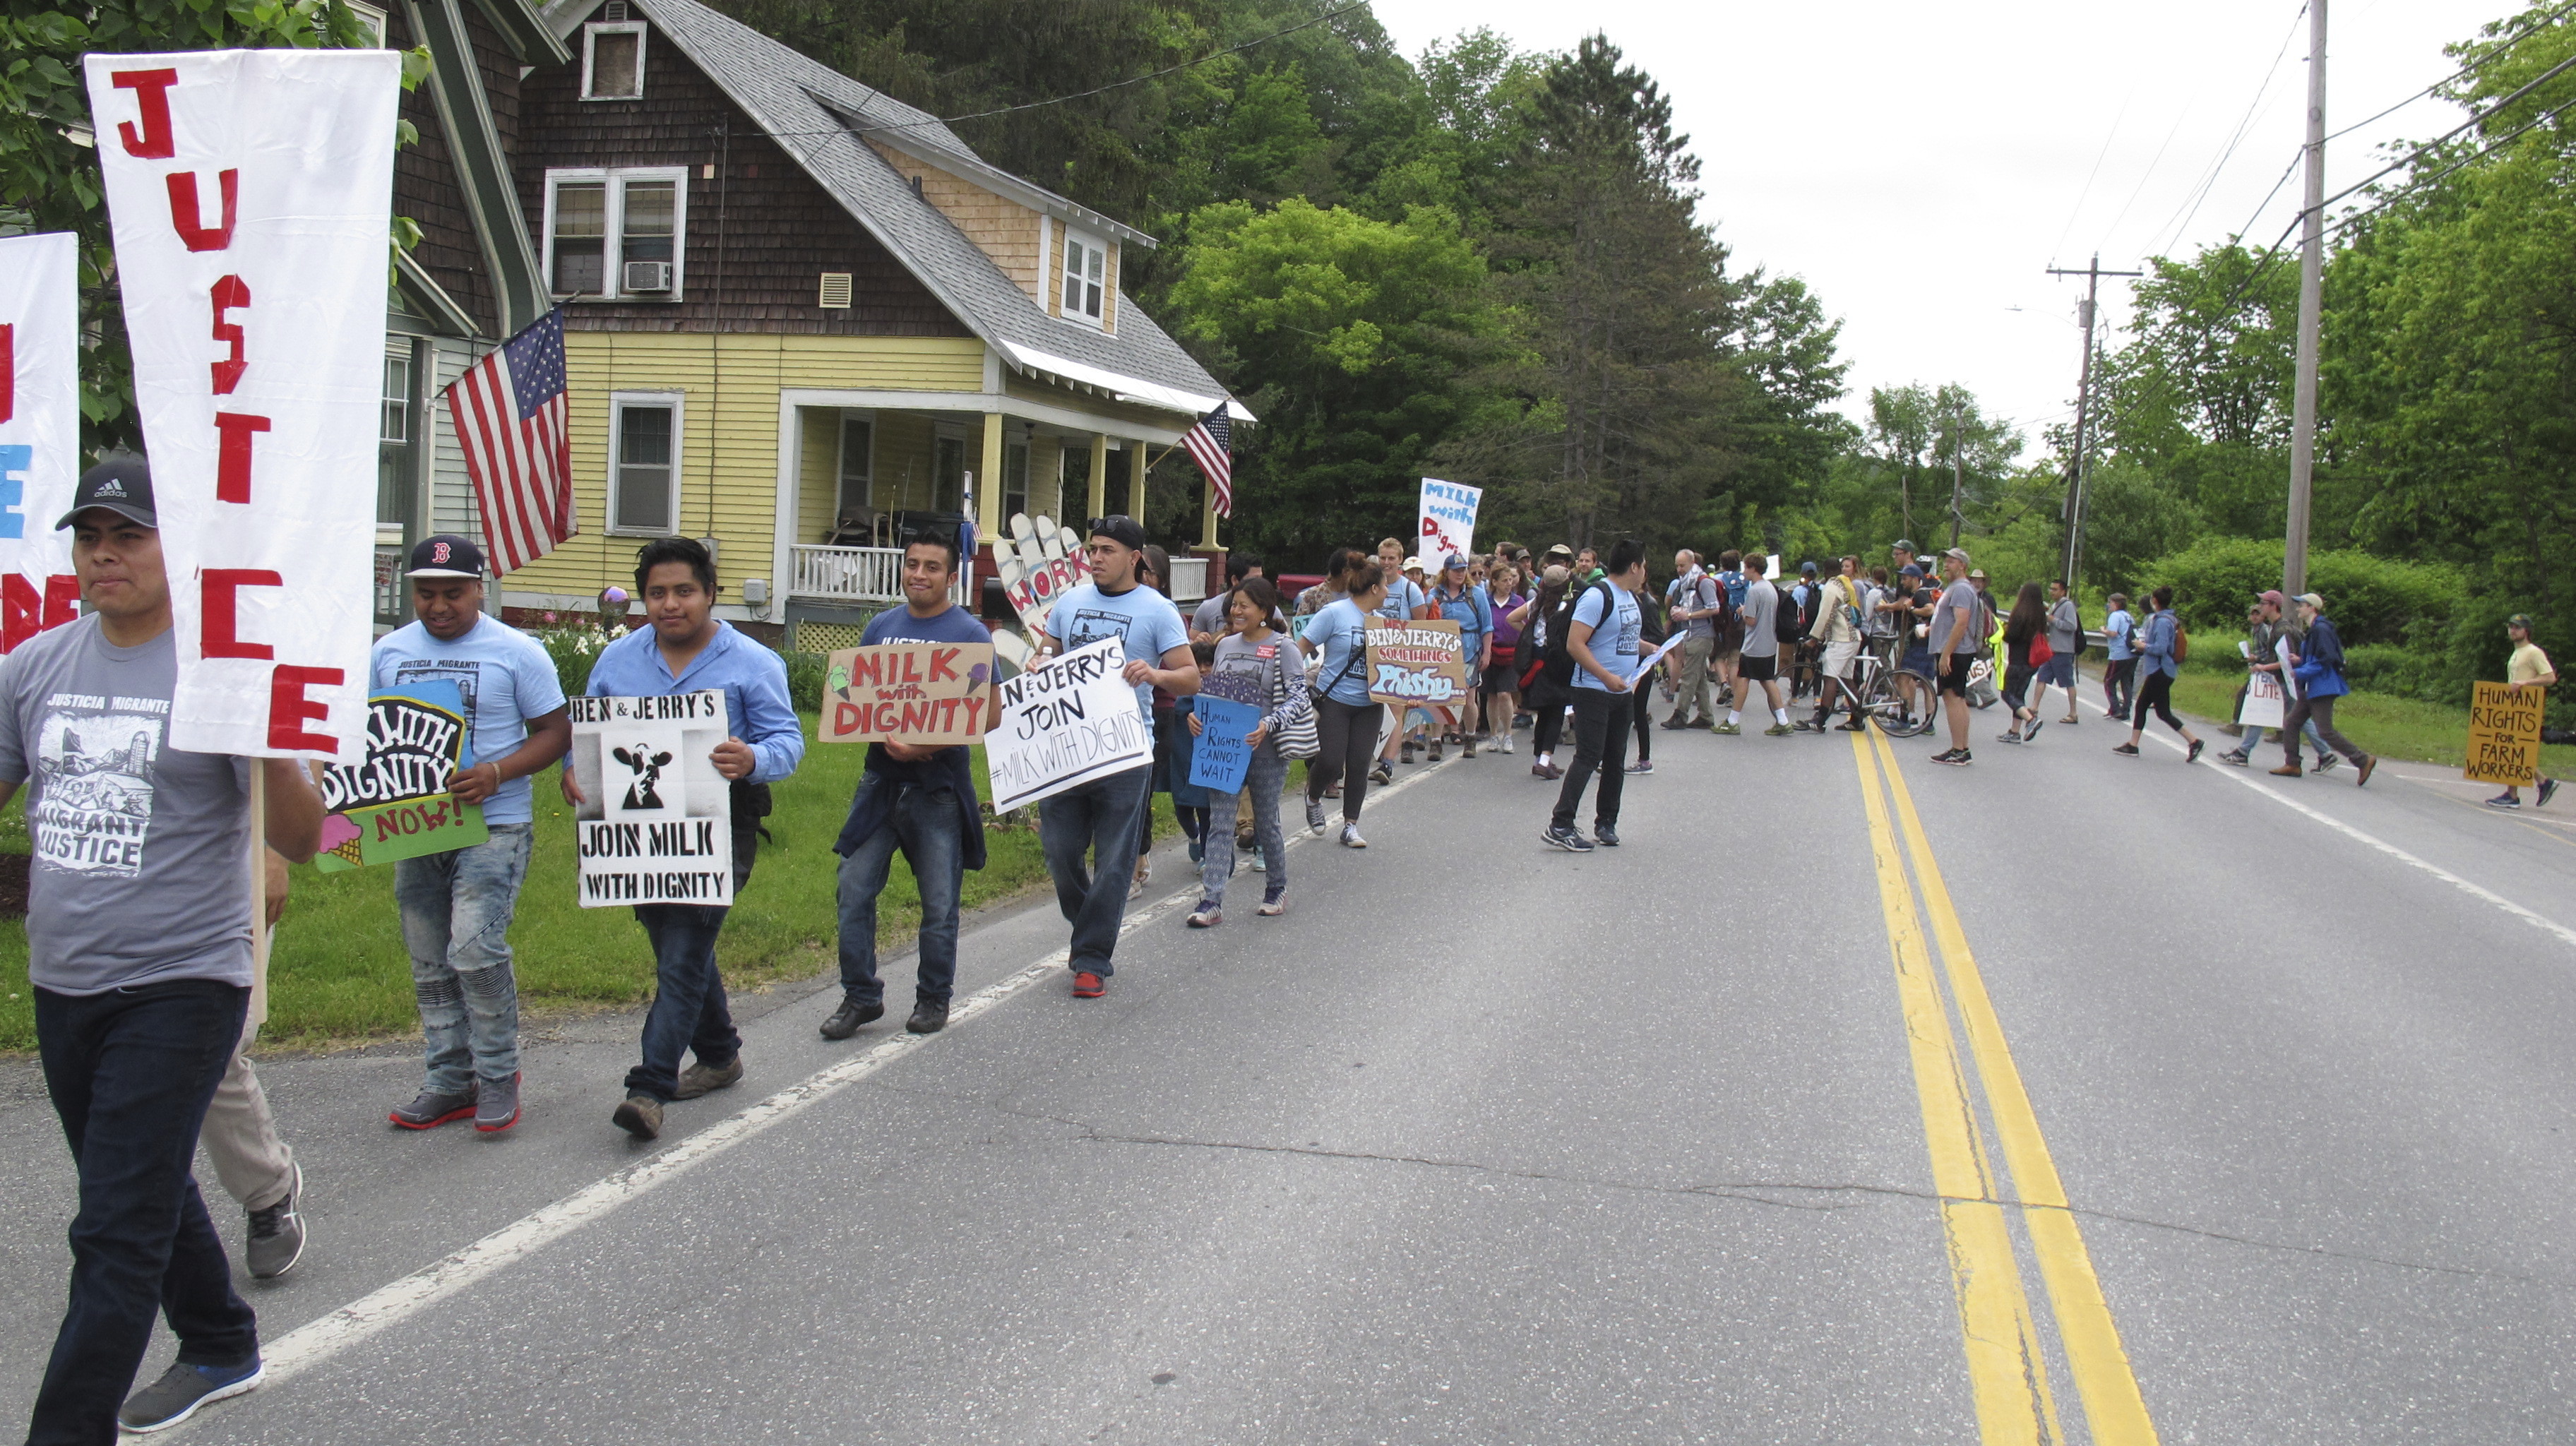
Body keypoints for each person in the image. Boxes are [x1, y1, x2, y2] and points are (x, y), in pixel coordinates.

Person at [9, 460, 327, 1438]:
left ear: (173, 551)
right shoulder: (37, 665)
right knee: (132, 1186)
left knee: (111, 1230)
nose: (105, 557)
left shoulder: (220, 672)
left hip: (183, 984)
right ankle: (221, 1339)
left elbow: (305, 833)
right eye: (90, 539)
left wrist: (270, 738)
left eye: (128, 538)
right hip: (64, 981)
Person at [575, 537, 805, 1140]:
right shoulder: (618, 662)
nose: (669, 605)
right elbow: (589, 738)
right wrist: (577, 773)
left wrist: (751, 756)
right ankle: (721, 1052)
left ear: (710, 594)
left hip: (722, 825)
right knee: (674, 946)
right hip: (637, 832)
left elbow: (789, 742)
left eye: (683, 592)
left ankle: (648, 1087)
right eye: (656, 593)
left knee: (683, 949)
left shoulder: (754, 663)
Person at [374, 534, 572, 1136]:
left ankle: (495, 1075)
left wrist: (496, 773)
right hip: (414, 822)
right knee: (429, 954)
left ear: (478, 588)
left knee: (473, 946)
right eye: (426, 594)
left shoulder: (517, 651)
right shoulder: (388, 652)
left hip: (496, 822)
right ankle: (447, 1079)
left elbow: (555, 732)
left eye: (452, 593)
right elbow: (367, 733)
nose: (438, 606)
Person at [823, 531, 994, 1040]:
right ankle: (860, 996)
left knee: (938, 903)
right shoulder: (881, 626)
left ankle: (933, 998)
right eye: (912, 564)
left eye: (932, 567)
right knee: (852, 888)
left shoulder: (969, 633)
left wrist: (927, 748)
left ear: (952, 575)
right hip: (879, 783)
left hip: (937, 789)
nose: (920, 574)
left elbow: (990, 714)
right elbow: (854, 694)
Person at [1033, 515, 1198, 998]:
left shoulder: (1158, 610)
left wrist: (1155, 675)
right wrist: (1038, 661)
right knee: (1060, 853)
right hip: (1066, 748)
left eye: (1108, 550)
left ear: (1134, 558)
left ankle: (1091, 959)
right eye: (1093, 549)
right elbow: (1048, 653)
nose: (1097, 558)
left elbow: (1190, 676)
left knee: (1113, 862)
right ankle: (1090, 924)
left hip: (1126, 752)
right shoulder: (1069, 603)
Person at [201, 850, 307, 1281]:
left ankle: (267, 1192)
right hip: (117, 893)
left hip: (222, 884)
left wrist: (276, 859)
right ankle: (133, 1219)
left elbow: (298, 780)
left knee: (214, 1051)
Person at [1188, 578, 1298, 924]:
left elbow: (1299, 698)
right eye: (1234, 605)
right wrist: (1197, 716)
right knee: (1221, 824)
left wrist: (1269, 724)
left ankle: (1275, 888)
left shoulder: (1284, 647)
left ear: (1263, 611)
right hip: (1223, 750)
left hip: (1266, 752)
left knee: (1266, 823)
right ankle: (1212, 900)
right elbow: (1214, 694)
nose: (1235, 611)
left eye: (1244, 606)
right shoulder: (1224, 645)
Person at [1543, 539, 1647, 852]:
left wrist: (1654, 651)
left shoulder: (1631, 597)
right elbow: (1576, 644)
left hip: (1622, 690)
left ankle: (1606, 821)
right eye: (1643, 565)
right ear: (1634, 566)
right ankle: (1561, 823)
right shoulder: (1597, 597)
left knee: (1615, 758)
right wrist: (1606, 676)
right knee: (1588, 756)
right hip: (1593, 689)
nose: (1645, 572)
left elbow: (1624, 638)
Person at [1298, 552, 1390, 847]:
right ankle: (1313, 796)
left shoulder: (1385, 622)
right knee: (1330, 760)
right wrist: (1292, 684)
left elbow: (1394, 669)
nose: (1389, 592)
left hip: (1370, 704)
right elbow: (1300, 648)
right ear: (1374, 588)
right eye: (1385, 586)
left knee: (1360, 764)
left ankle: (1351, 825)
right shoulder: (1335, 613)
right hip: (1335, 700)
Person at [2272, 592, 2376, 784]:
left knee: (2325, 730)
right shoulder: (2315, 629)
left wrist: (2301, 671)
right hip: (2313, 685)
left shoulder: (2321, 630)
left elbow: (2327, 660)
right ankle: (2293, 764)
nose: (2298, 609)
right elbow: (2319, 656)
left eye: (2301, 605)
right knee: (2293, 722)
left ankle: (2362, 760)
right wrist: (2301, 661)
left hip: (2322, 686)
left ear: (2312, 608)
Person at [2111, 586, 2203, 762]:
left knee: (2145, 708)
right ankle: (2194, 741)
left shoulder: (2162, 621)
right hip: (2161, 671)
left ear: (2155, 601)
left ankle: (2133, 745)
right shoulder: (2167, 618)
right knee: (2161, 712)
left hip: (2160, 670)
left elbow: (2161, 648)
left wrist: (2143, 646)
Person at [2488, 613, 2558, 808]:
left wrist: (2525, 683)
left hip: (2527, 708)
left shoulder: (2533, 652)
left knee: (2514, 749)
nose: (2512, 630)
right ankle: (2541, 784)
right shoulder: (2517, 652)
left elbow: (2550, 677)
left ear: (2526, 631)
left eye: (2517, 627)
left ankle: (2515, 794)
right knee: (2513, 748)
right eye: (2510, 627)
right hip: (2514, 706)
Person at [1429, 553, 1493, 760]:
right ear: (1446, 572)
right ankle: (1436, 741)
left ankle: (1470, 737)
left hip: (1468, 649)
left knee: (1468, 697)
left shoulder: (1476, 594)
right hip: (1441, 652)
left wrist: (1487, 652)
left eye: (1462, 570)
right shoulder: (1434, 595)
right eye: (1456, 570)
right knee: (1439, 696)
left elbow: (1487, 626)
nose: (1460, 574)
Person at [1722, 554, 1791, 736]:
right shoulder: (1769, 588)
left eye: (1746, 568)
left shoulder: (1755, 591)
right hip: (1768, 642)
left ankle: (1733, 720)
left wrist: (1743, 611)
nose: (1744, 571)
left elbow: (1751, 620)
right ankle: (1782, 720)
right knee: (1767, 680)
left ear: (1753, 569)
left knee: (1744, 678)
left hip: (1754, 643)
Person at [1513, 566, 1573, 777]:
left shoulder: (1535, 604)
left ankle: (1540, 759)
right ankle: (1545, 760)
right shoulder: (1567, 607)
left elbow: (1511, 618)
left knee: (1543, 713)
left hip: (1535, 663)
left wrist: (1529, 635)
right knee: (1556, 712)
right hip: (1557, 664)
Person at [1928, 548, 1981, 765]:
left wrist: (1946, 654)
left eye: (1951, 561)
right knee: (1956, 697)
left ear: (1962, 566)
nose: (1946, 565)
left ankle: (1958, 749)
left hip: (1956, 652)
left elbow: (1961, 622)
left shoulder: (1961, 589)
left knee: (1953, 698)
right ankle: (1961, 748)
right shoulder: (1955, 588)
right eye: (1946, 561)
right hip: (1955, 650)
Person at [1806, 556, 1868, 731]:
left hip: (1841, 638)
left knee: (1830, 677)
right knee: (1847, 679)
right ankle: (1857, 719)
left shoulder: (1831, 587)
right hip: (1854, 637)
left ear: (1825, 571)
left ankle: (1821, 718)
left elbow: (1826, 614)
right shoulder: (1847, 583)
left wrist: (1814, 638)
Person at [1664, 549, 1722, 729]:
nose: (1679, 569)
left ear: (1692, 563)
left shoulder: (1704, 583)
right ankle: (1706, 716)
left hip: (1702, 635)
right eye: (1677, 566)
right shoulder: (1685, 583)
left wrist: (1688, 615)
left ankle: (1681, 714)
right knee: (1700, 678)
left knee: (1689, 675)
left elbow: (1714, 608)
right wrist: (1677, 611)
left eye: (1682, 565)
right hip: (1689, 633)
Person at [1482, 561, 1527, 755]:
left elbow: (1527, 625)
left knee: (1505, 694)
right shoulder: (1486, 601)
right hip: (1490, 652)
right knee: (1491, 696)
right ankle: (1493, 734)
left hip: (1511, 654)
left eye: (1511, 580)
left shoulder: (1519, 603)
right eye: (1504, 580)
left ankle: (1507, 735)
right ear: (1494, 582)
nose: (1509, 584)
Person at [1997, 581, 2050, 744]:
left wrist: (2005, 630)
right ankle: (2014, 732)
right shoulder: (2040, 614)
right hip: (2032, 661)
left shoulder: (2020, 613)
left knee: (2007, 694)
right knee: (2019, 695)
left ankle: (2030, 719)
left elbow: (2011, 636)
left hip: (2018, 658)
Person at [1626, 561, 1665, 773]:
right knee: (1627, 712)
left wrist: (1637, 642)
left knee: (1637, 712)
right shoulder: (1628, 599)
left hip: (1641, 666)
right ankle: (1613, 758)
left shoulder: (1647, 602)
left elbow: (1657, 636)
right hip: (1627, 663)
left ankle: (1645, 760)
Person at [2039, 580, 2082, 725]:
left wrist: (2053, 620)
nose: (2052, 592)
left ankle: (2073, 713)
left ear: (2063, 592)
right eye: (2051, 589)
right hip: (2051, 649)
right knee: (2042, 678)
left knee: (2068, 682)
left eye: (2055, 589)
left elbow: (2072, 626)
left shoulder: (2068, 606)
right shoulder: (2053, 606)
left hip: (2064, 650)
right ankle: (2034, 707)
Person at [1190, 552, 1260, 641]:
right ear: (1235, 580)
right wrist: (1199, 642)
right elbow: (1191, 644)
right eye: (1254, 579)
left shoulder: (1267, 608)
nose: (1260, 584)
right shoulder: (1207, 608)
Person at [2101, 592, 2138, 720]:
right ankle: (2126, 710)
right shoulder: (2129, 616)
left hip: (2119, 653)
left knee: (2109, 681)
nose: (2109, 605)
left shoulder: (2115, 616)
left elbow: (2113, 633)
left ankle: (2115, 709)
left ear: (2116, 604)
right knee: (2126, 682)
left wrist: (2104, 630)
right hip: (2131, 653)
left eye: (2110, 603)